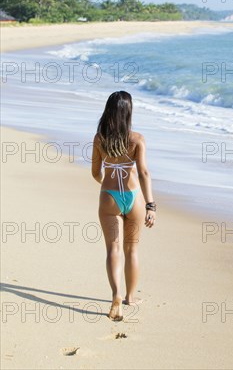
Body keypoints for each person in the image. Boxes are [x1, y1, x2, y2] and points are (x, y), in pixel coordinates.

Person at [91, 90, 156, 320]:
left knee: (113, 249)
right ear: (129, 112)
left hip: (109, 197)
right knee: (132, 249)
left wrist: (107, 185)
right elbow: (144, 173)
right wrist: (150, 206)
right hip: (134, 198)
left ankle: (116, 294)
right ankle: (130, 297)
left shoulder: (100, 138)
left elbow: (95, 173)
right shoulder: (137, 139)